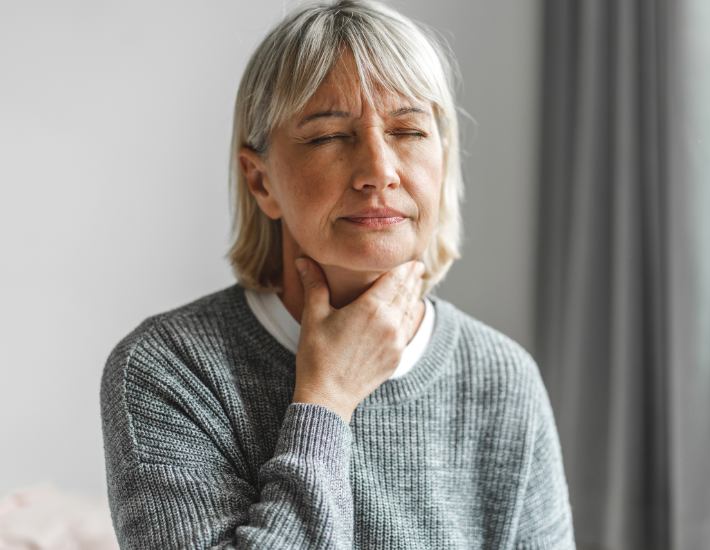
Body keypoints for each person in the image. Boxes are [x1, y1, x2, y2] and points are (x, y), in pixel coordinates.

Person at [99, 1, 576, 548]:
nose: (379, 171)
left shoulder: (502, 377)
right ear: (261, 182)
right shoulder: (169, 370)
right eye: (328, 137)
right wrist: (328, 397)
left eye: (409, 131)